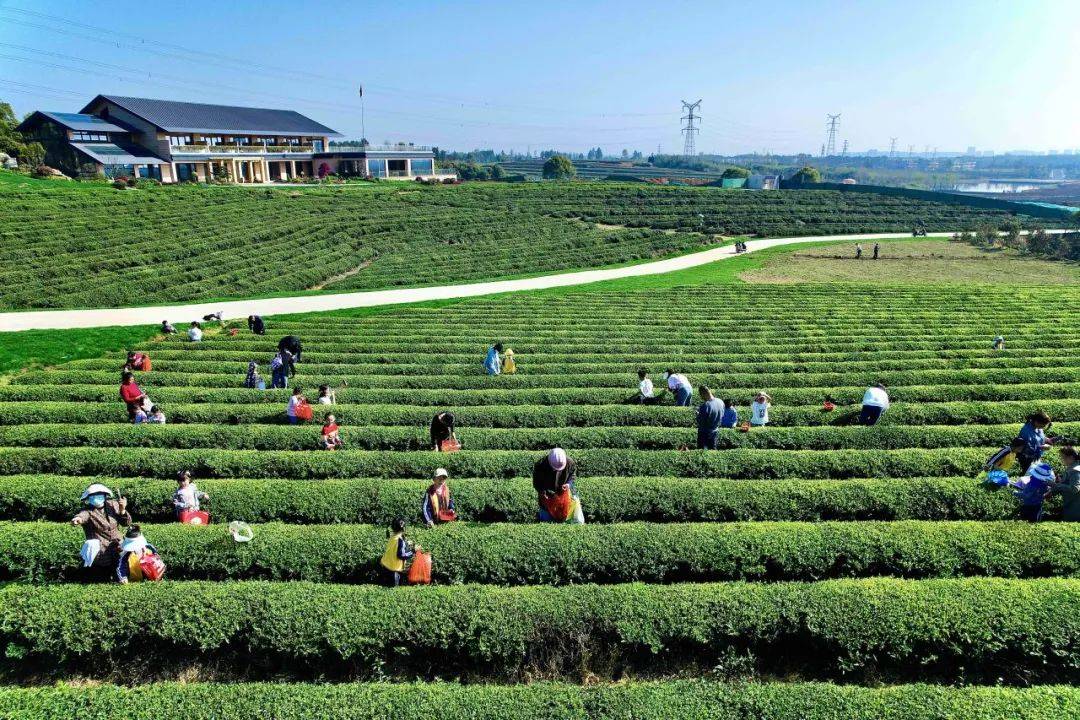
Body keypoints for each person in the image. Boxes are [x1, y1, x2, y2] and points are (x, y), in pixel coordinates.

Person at [71, 483, 131, 580]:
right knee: (101, 577)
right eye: (93, 496)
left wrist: (122, 510)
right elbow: (83, 515)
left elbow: (126, 523)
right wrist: (78, 519)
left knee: (121, 574)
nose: (96, 497)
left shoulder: (113, 504)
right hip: (100, 549)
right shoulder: (88, 510)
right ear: (89, 498)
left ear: (104, 495)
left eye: (99, 494)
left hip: (118, 545)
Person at [533, 447, 577, 521]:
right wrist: (542, 491)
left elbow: (573, 475)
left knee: (573, 518)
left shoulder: (570, 462)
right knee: (547, 519)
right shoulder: (540, 465)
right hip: (548, 496)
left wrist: (568, 484)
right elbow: (536, 482)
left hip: (565, 494)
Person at [379, 518, 417, 587]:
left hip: (385, 566)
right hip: (394, 570)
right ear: (404, 528)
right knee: (393, 591)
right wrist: (413, 551)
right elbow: (401, 555)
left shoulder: (392, 537)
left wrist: (406, 543)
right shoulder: (400, 541)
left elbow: (395, 546)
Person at [1049, 446, 1080, 521]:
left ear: (1071, 457)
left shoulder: (1075, 471)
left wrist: (1056, 485)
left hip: (1074, 507)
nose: (1061, 460)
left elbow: (1075, 488)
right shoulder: (1071, 467)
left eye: (1063, 457)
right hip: (1070, 504)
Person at [696, 386, 724, 450]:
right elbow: (722, 414)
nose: (701, 397)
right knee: (713, 450)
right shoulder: (720, 401)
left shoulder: (705, 406)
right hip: (715, 430)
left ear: (703, 394)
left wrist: (698, 414)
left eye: (701, 395)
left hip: (704, 433)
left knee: (701, 452)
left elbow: (701, 421)